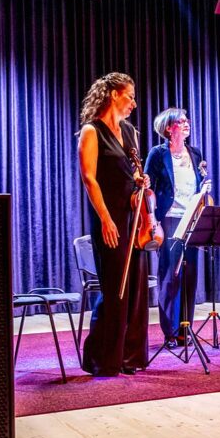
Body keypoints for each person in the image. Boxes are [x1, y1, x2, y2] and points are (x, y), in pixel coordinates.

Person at [77, 72, 151, 376]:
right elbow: (89, 178)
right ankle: (102, 358)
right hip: (109, 219)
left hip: (133, 219)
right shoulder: (91, 131)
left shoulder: (130, 132)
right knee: (114, 288)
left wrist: (140, 180)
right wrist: (105, 218)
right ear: (113, 95)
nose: (134, 103)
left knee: (135, 288)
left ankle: (129, 358)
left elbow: (131, 173)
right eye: (130, 96)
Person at [144, 108, 210, 348]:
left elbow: (198, 182)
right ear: (168, 128)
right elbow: (147, 189)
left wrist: (204, 189)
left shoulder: (195, 152)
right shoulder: (158, 153)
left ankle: (185, 328)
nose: (186, 123)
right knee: (171, 275)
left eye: (186, 120)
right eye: (180, 121)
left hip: (191, 218)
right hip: (169, 218)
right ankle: (170, 331)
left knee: (190, 274)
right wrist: (153, 219)